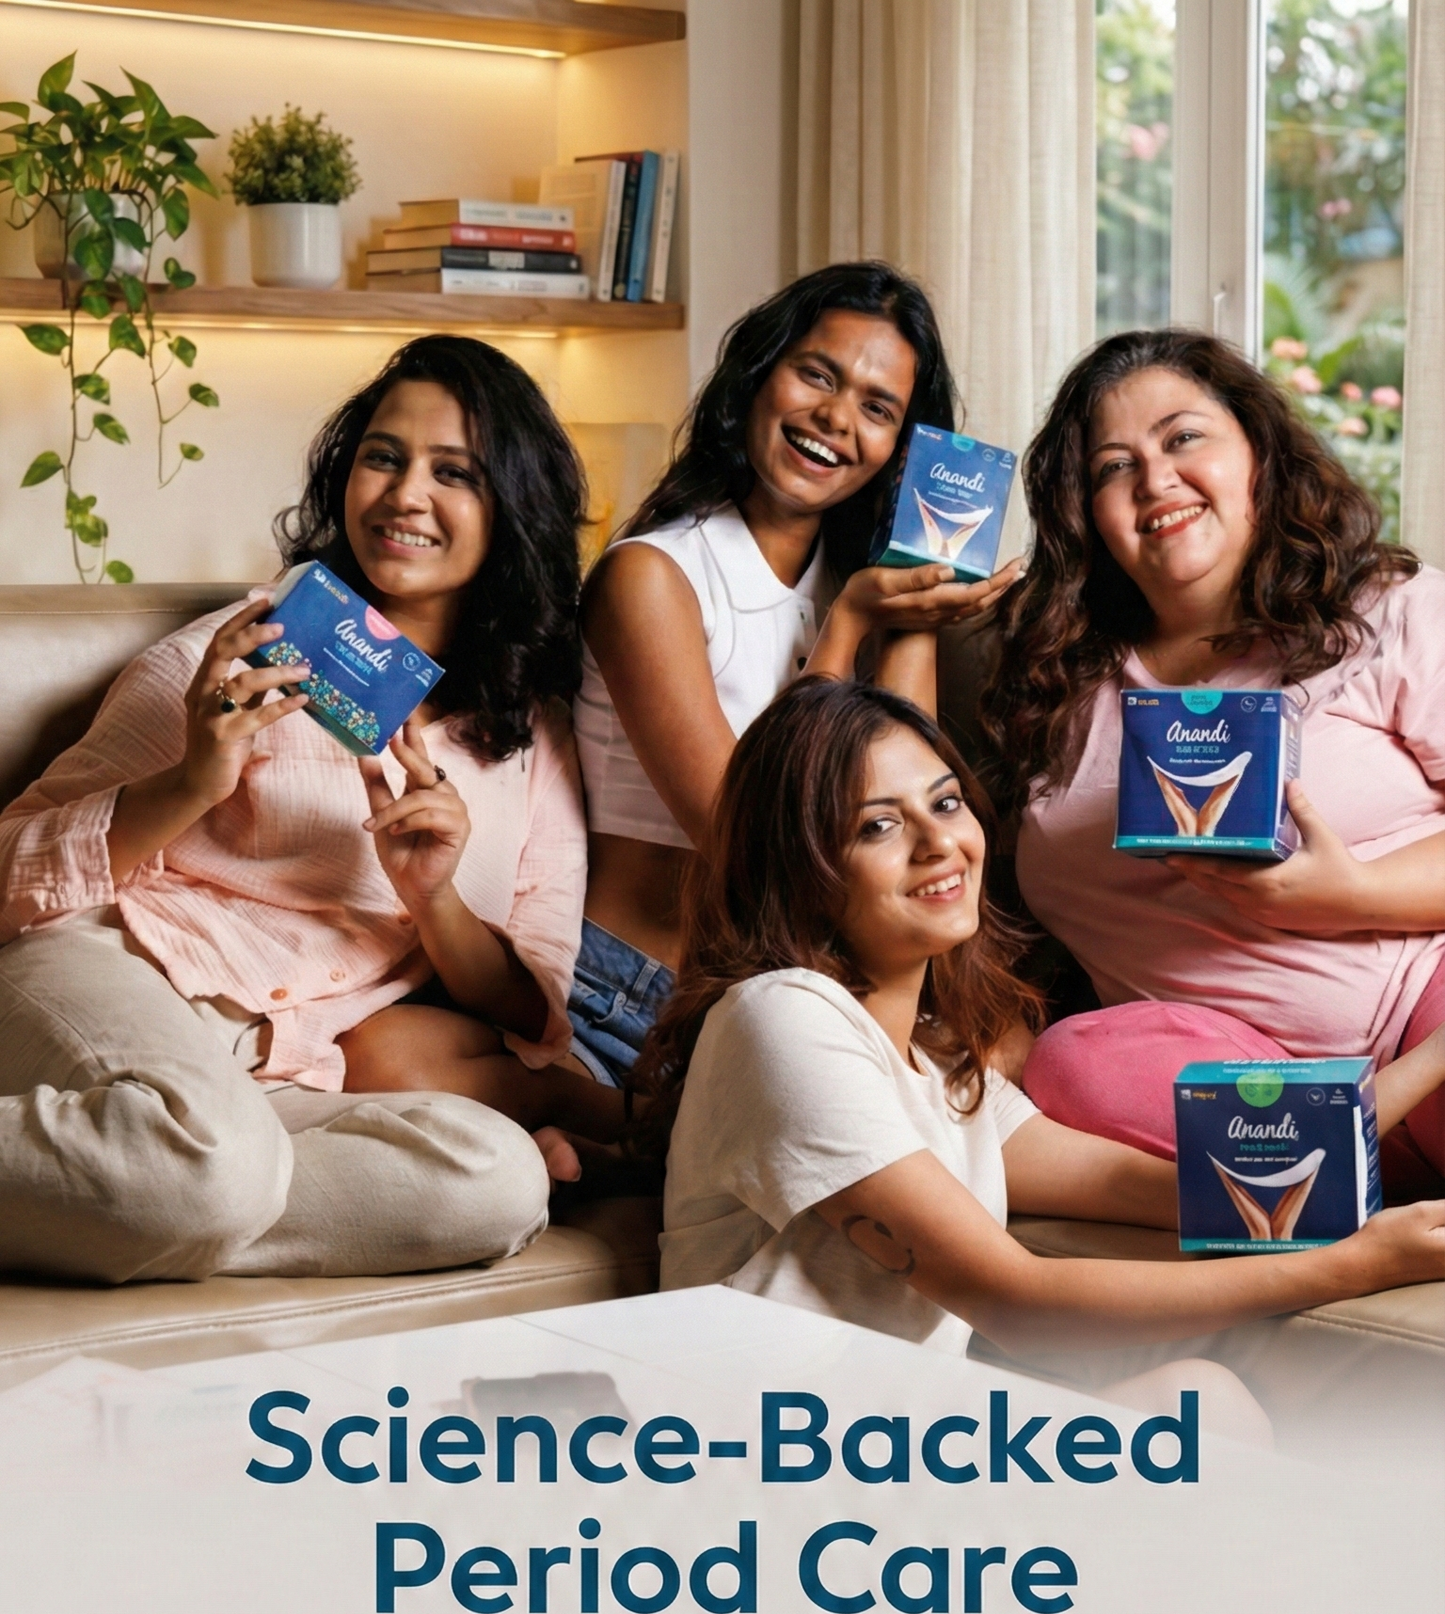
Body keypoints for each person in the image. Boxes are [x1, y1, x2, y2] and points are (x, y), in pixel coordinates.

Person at [645, 679, 1445, 1396]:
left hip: (903, 1435)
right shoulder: (781, 1017)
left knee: (1201, 1403)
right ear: (797, 867)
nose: (938, 843)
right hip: (770, 1466)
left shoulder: (936, 1066)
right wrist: (1350, 1265)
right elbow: (1014, 1301)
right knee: (1206, 1416)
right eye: (878, 826)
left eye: (947, 802)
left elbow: (1171, 1190)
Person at [0, 334, 593, 1284]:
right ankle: (177, 1183)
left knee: (498, 1179)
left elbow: (537, 1004)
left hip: (274, 1075)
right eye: (383, 457)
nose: (405, 494)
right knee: (212, 1164)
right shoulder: (233, 654)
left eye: (455, 473)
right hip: (115, 966)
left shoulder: (532, 736)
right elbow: (8, 871)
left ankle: (163, 1193)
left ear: (510, 512)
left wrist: (433, 899)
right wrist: (194, 778)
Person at [981, 327, 1445, 1190]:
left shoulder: (1388, 610)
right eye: (1112, 466)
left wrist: (1351, 896)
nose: (1153, 479)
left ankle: (1344, 1155)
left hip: (1428, 1002)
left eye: (1182, 436)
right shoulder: (1050, 686)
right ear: (1088, 513)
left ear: (1257, 453)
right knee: (1069, 1063)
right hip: (1228, 1074)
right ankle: (1335, 1155)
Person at [570, 259, 1023, 1086]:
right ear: (758, 375)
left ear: (899, 450)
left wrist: (918, 600)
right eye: (816, 374)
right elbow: (759, 844)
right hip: (629, 1000)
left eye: (877, 408)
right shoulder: (650, 576)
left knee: (1014, 1054)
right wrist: (852, 620)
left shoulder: (845, 576)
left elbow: (900, 786)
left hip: (789, 991)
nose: (834, 418)